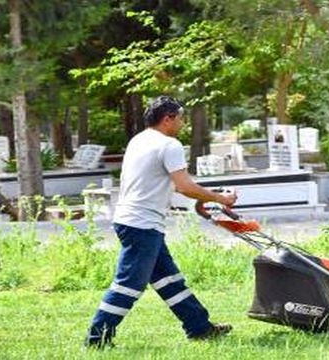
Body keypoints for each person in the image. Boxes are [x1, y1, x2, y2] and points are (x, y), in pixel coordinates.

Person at [85, 96, 238, 348]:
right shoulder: (169, 145)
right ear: (168, 118)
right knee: (129, 285)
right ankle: (96, 339)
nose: (183, 123)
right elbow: (184, 185)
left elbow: (160, 183)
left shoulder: (140, 140)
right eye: (180, 118)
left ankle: (200, 327)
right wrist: (221, 198)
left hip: (130, 220)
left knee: (169, 280)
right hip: (142, 224)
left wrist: (200, 201)